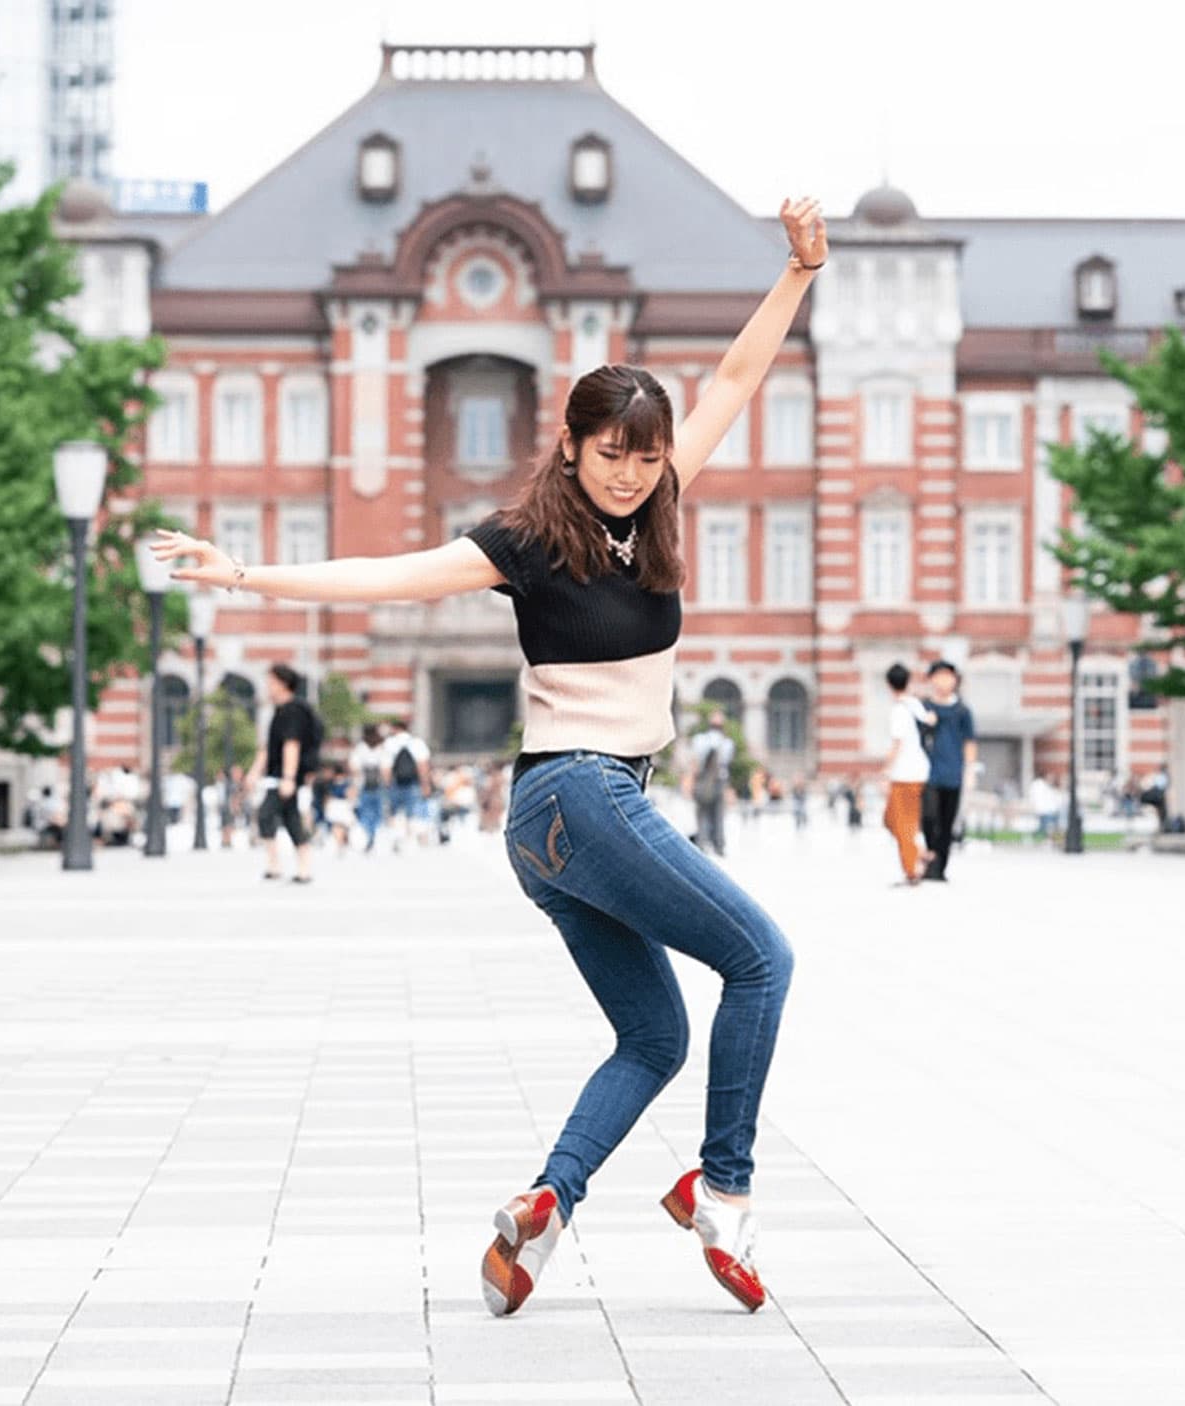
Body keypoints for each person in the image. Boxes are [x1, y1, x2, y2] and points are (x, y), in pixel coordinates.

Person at [149, 194, 822, 1319]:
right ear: (570, 442)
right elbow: (395, 571)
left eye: (646, 459)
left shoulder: (657, 502)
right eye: (611, 455)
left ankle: (542, 1204)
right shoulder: (525, 540)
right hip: (581, 792)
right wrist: (248, 575)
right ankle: (725, 1184)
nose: (631, 475)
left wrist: (799, 270)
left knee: (654, 1034)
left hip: (552, 822)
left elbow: (735, 382)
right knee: (761, 958)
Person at [257, 663, 321, 883]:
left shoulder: (293, 711)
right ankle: (302, 867)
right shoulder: (282, 710)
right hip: (279, 775)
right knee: (291, 818)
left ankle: (277, 865)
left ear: (282, 683)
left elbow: (291, 745)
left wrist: (289, 778)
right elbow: (269, 747)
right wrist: (254, 772)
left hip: (285, 777)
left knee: (266, 815)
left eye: (271, 681)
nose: (267, 686)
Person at [918, 661, 977, 883]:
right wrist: (926, 725)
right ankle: (930, 859)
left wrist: (970, 770)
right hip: (928, 773)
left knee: (946, 821)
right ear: (931, 679)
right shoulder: (924, 708)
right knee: (929, 818)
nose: (944, 681)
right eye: (939, 676)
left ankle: (940, 868)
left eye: (948, 676)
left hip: (953, 774)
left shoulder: (962, 711)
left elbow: (969, 741)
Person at [879, 663, 930, 884]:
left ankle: (912, 870)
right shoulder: (916, 706)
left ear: (889, 685)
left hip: (904, 774)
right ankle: (919, 853)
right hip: (920, 770)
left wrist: (885, 772)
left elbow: (897, 744)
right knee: (893, 820)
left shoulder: (900, 710)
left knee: (902, 823)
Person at [682, 708, 734, 858]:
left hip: (702, 781)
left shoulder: (700, 740)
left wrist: (689, 782)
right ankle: (719, 845)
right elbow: (726, 764)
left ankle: (702, 843)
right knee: (718, 814)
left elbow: (694, 763)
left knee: (702, 813)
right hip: (719, 782)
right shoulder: (727, 743)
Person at [379, 718, 432, 851]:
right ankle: (409, 839)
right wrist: (425, 784)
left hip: (395, 783)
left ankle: (397, 837)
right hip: (413, 782)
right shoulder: (417, 742)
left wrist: (386, 785)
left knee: (394, 812)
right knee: (413, 812)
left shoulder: (389, 743)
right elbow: (423, 765)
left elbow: (385, 767)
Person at [350, 723, 387, 852]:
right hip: (378, 785)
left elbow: (354, 768)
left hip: (363, 785)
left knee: (365, 812)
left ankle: (369, 834)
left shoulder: (360, 748)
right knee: (377, 812)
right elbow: (385, 768)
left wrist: (355, 785)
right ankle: (373, 835)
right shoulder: (381, 748)